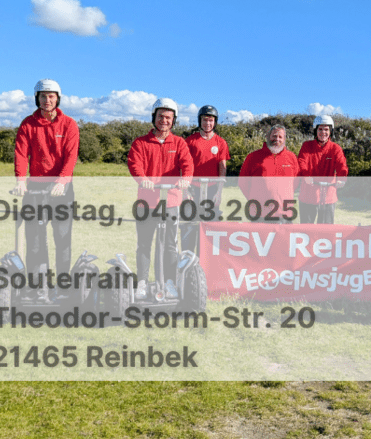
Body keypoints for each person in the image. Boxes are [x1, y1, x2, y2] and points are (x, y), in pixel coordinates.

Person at [13, 79, 79, 298]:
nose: (47, 100)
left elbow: (70, 156)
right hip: (35, 189)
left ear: (57, 98)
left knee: (62, 239)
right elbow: (22, 154)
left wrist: (62, 181)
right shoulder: (28, 124)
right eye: (43, 96)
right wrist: (21, 181)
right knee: (34, 239)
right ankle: (37, 286)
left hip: (62, 189)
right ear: (37, 98)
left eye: (51, 96)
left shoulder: (69, 124)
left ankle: (62, 287)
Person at [128, 98, 193, 294]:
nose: (164, 120)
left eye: (168, 117)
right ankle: (142, 283)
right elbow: (134, 164)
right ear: (154, 118)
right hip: (147, 203)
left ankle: (169, 282)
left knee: (170, 245)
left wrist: (186, 179)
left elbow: (187, 165)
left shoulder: (179, 143)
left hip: (171, 201)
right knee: (145, 244)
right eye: (160, 117)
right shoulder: (141, 142)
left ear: (173, 120)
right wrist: (143, 179)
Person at [182, 105, 230, 252]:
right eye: (204, 120)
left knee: (209, 226)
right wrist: (185, 191)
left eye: (210, 120)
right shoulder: (190, 141)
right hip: (193, 189)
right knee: (190, 225)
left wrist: (219, 192)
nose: (207, 123)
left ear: (215, 122)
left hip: (212, 190)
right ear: (199, 121)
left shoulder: (220, 142)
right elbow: (183, 166)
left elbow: (222, 167)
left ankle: (206, 261)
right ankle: (187, 260)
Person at [239, 124, 300, 223]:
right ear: (268, 137)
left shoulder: (291, 157)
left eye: (280, 137)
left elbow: (296, 182)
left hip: (284, 213)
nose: (277, 139)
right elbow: (243, 183)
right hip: (259, 214)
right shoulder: (253, 157)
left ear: (284, 139)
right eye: (274, 136)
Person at [298, 115, 348, 224]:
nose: (323, 132)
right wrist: (306, 176)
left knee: (326, 232)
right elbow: (302, 162)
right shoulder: (307, 146)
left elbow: (341, 165)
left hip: (328, 195)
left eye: (326, 129)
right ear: (315, 130)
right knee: (306, 230)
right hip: (308, 194)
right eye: (320, 129)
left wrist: (342, 178)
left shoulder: (335, 148)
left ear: (331, 131)